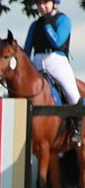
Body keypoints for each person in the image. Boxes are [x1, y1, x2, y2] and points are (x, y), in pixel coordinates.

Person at [24, 0, 82, 144]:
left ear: (54, 3)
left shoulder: (63, 20)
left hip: (57, 62)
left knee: (73, 94)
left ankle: (76, 131)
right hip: (37, 62)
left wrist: (47, 24)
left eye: (45, 3)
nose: (41, 6)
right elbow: (27, 49)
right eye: (39, 4)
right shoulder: (35, 24)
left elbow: (57, 41)